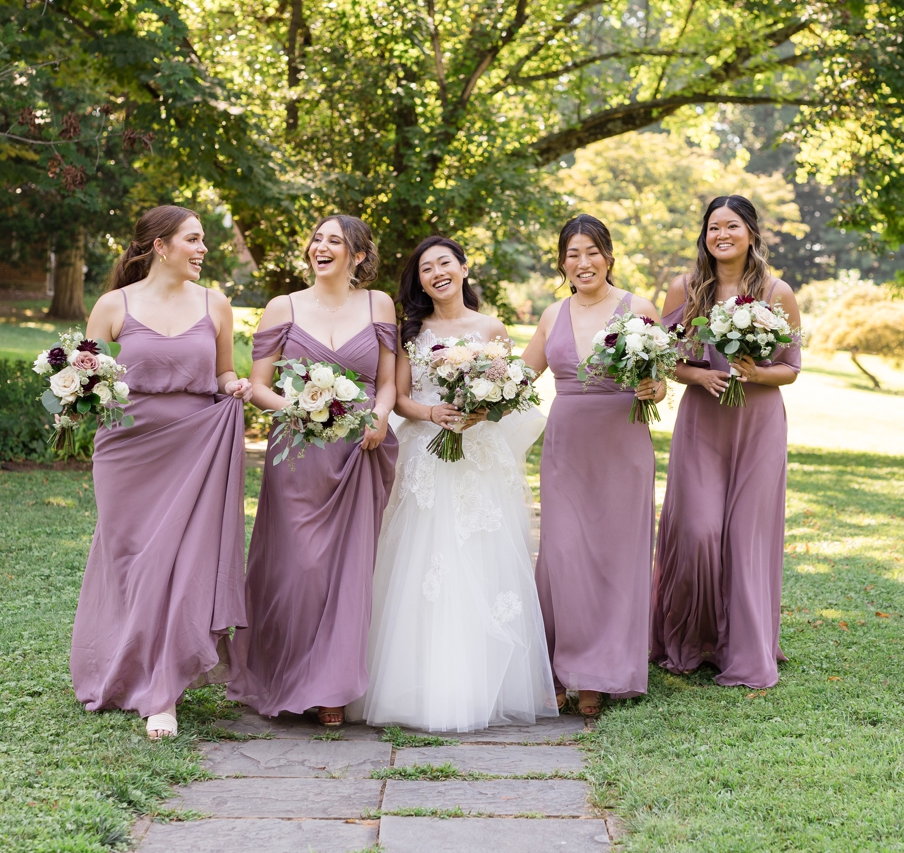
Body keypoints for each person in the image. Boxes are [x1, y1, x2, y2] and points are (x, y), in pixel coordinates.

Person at [350, 236, 558, 732]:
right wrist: (433, 413)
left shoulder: (491, 328)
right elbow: (399, 397)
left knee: (480, 562)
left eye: (445, 263)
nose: (437, 272)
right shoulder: (412, 331)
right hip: (426, 454)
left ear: (464, 269)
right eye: (426, 268)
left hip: (477, 459)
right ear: (419, 280)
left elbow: (511, 394)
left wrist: (485, 407)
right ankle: (413, 687)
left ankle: (478, 686)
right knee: (419, 564)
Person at [72, 205, 253, 739]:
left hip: (197, 447)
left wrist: (234, 386)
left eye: (203, 242)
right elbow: (90, 378)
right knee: (131, 563)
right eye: (193, 240)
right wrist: (72, 394)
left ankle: (164, 694)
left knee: (182, 567)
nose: (202, 250)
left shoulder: (215, 305)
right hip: (126, 453)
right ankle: (123, 668)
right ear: (160, 246)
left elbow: (222, 374)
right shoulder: (112, 307)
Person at [235, 215, 398, 727]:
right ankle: (286, 676)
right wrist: (299, 409)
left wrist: (379, 415)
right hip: (299, 455)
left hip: (358, 453)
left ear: (358, 257)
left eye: (335, 241)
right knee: (297, 571)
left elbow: (388, 382)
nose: (321, 247)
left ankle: (331, 689)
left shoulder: (379, 305)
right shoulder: (283, 307)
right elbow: (259, 385)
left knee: (348, 572)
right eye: (317, 239)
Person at [650, 195, 802, 688]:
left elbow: (792, 369)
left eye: (732, 226)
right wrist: (698, 377)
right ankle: (692, 638)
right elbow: (665, 359)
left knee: (744, 539)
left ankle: (740, 648)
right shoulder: (687, 287)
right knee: (699, 531)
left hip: (756, 427)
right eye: (714, 227)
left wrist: (755, 372)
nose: (722, 235)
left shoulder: (778, 293)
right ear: (705, 236)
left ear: (751, 233)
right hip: (702, 424)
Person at [519, 214, 663, 717]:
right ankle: (561, 667)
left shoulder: (637, 308)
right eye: (572, 254)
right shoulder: (551, 314)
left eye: (592, 252)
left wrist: (653, 387)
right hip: (566, 447)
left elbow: (660, 381)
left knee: (616, 554)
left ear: (608, 256)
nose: (583, 262)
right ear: (563, 262)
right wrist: (471, 387)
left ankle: (600, 674)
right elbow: (521, 376)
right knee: (563, 552)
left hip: (621, 443)